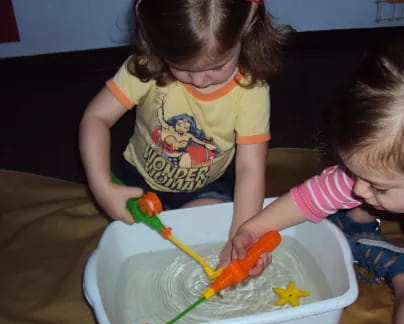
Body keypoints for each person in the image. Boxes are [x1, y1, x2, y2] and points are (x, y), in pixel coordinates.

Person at [225, 42, 404, 324]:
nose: (359, 191)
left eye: (378, 187)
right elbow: (313, 197)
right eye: (356, 176)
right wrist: (253, 230)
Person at [79, 0, 290, 246]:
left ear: (245, 32)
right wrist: (101, 185)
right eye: (183, 68)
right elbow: (96, 117)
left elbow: (249, 170)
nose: (200, 80)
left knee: (218, 229)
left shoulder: (250, 88)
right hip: (140, 182)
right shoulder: (149, 64)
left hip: (206, 186)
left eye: (218, 66)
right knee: (140, 244)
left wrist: (242, 237)